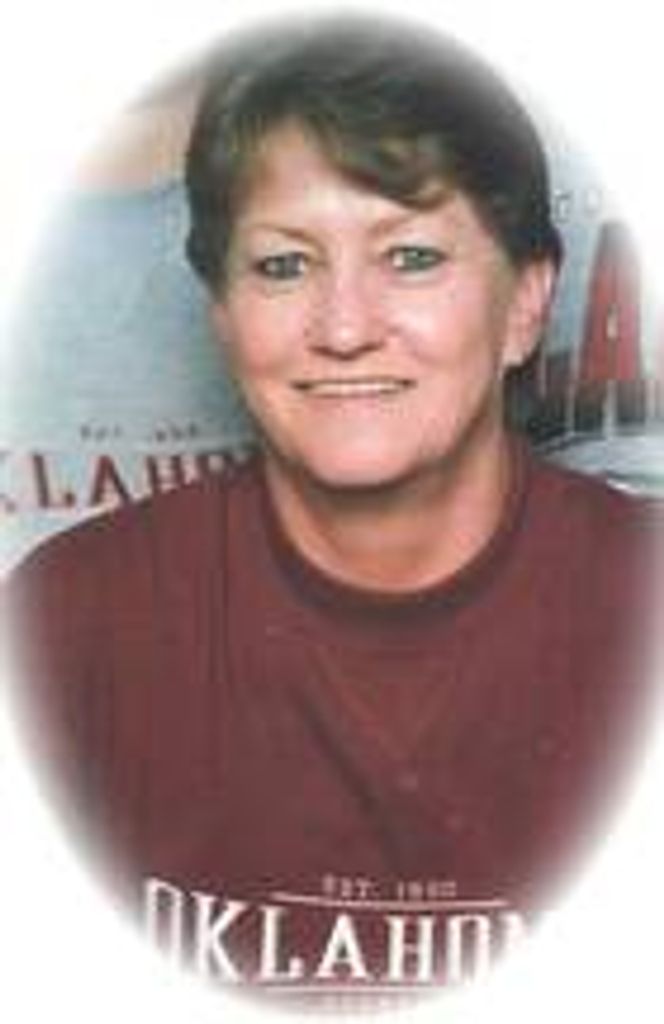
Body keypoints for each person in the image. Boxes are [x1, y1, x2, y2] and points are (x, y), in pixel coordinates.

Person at [5, 13, 661, 1006]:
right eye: (284, 264)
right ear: (222, 314)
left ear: (528, 303)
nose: (344, 327)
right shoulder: (71, 617)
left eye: (411, 258)